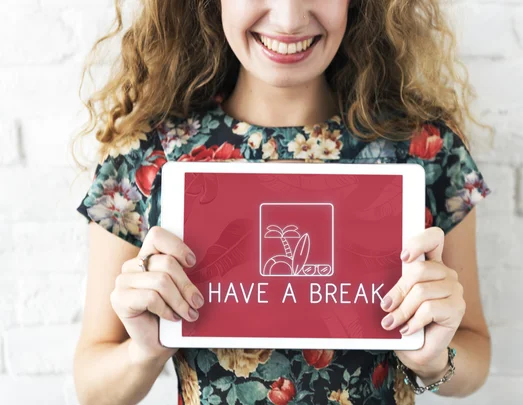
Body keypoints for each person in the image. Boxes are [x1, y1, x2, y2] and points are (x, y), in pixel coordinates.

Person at [71, 1, 493, 404]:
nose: (289, 19)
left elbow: (475, 355)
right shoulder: (147, 156)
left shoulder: (428, 150)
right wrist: (145, 350)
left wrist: (433, 359)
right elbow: (93, 388)